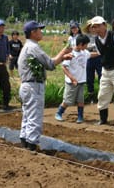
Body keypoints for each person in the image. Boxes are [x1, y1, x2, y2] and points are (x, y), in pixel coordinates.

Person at [18, 20, 72, 151]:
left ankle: (25, 142)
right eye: (39, 30)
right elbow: (50, 64)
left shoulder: (27, 46)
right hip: (33, 86)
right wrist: (64, 52)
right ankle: (31, 145)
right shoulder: (33, 47)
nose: (41, 32)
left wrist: (63, 56)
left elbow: (49, 62)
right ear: (33, 33)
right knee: (34, 116)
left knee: (27, 115)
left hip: (26, 86)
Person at [90, 16, 114, 127]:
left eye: (98, 26)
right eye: (94, 27)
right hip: (106, 70)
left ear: (104, 25)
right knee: (102, 95)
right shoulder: (97, 40)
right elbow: (100, 53)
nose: (96, 29)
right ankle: (103, 119)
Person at [55, 34, 99, 123]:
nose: (87, 46)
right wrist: (72, 78)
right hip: (72, 82)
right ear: (80, 44)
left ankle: (80, 116)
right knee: (67, 100)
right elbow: (64, 67)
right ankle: (59, 113)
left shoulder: (84, 52)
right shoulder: (71, 54)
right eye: (86, 44)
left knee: (80, 100)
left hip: (81, 81)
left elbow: (90, 55)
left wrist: (99, 53)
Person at [83, 20, 102, 104]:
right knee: (89, 78)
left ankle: (102, 96)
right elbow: (84, 48)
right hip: (89, 59)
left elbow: (101, 49)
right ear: (88, 28)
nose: (93, 29)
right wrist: (95, 51)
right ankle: (91, 96)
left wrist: (93, 51)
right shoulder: (86, 37)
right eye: (91, 27)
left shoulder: (100, 36)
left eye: (94, 27)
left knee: (101, 76)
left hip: (99, 59)